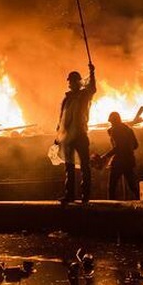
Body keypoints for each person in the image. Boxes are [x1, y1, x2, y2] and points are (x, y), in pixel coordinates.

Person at [56, 64, 97, 204]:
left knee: (85, 166)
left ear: (78, 82)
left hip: (80, 134)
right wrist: (58, 137)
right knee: (69, 166)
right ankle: (69, 195)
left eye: (73, 81)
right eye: (70, 81)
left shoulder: (84, 95)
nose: (71, 83)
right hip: (68, 137)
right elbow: (61, 118)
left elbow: (93, 88)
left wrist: (92, 73)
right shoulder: (67, 99)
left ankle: (85, 196)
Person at [99, 112, 140, 200]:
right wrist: (128, 149)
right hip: (129, 160)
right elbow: (136, 145)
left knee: (112, 186)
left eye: (111, 122)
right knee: (132, 185)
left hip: (119, 162)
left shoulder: (115, 130)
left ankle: (110, 207)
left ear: (113, 121)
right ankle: (140, 200)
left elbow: (117, 148)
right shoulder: (128, 129)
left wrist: (105, 156)